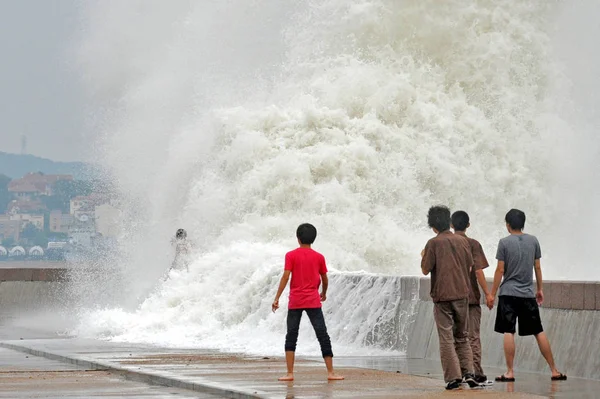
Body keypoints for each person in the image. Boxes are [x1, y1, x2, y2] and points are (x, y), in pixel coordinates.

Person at [486, 209, 567, 382]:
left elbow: (500, 269)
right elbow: (537, 267)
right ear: (523, 224)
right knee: (538, 330)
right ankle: (554, 370)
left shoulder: (504, 243)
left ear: (508, 225)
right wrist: (539, 289)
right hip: (527, 294)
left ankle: (509, 372)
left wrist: (492, 294)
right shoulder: (533, 241)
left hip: (508, 293)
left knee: (508, 331)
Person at [272, 223, 344, 382]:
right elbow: (325, 278)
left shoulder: (290, 255)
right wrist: (323, 292)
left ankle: (290, 373)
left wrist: (277, 298)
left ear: (298, 239)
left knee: (291, 335)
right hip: (313, 301)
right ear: (313, 239)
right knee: (322, 335)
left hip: (295, 301)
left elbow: (285, 277)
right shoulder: (319, 257)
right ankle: (331, 372)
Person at [421, 206, 479, 390]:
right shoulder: (462, 241)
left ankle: (454, 377)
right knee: (463, 336)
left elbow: (425, 269)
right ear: (449, 222)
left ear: (433, 225)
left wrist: (423, 256)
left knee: (446, 337)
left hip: (442, 296)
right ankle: (469, 372)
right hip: (463, 294)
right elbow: (470, 266)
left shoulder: (433, 243)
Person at [451, 211, 491, 385]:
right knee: (473, 336)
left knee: (456, 336)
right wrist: (488, 293)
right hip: (471, 296)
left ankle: (459, 372)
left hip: (452, 296)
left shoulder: (446, 243)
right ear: (468, 225)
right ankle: (475, 371)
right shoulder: (473, 244)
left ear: (451, 225)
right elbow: (478, 271)